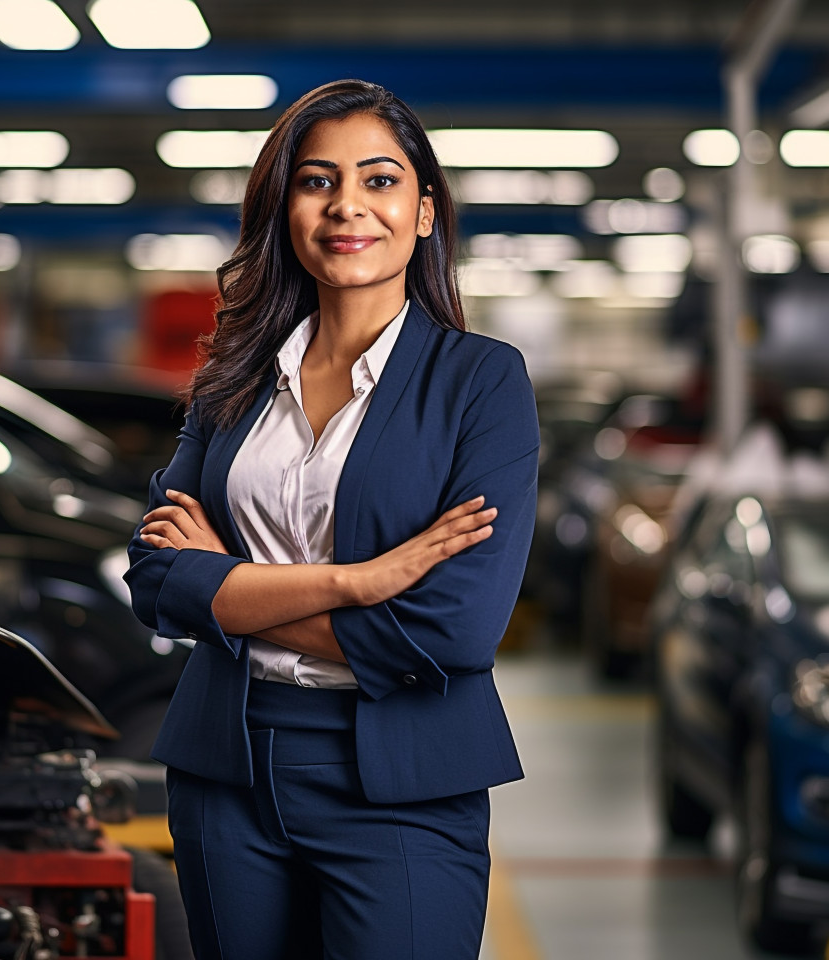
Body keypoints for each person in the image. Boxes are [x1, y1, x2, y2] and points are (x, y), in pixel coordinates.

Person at [124, 79, 539, 960]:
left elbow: (454, 630)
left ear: (425, 212)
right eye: (318, 181)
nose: (348, 204)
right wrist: (361, 582)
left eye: (380, 180)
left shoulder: (481, 383)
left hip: (401, 782)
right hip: (225, 772)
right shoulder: (231, 379)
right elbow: (157, 577)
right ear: (285, 210)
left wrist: (228, 591)